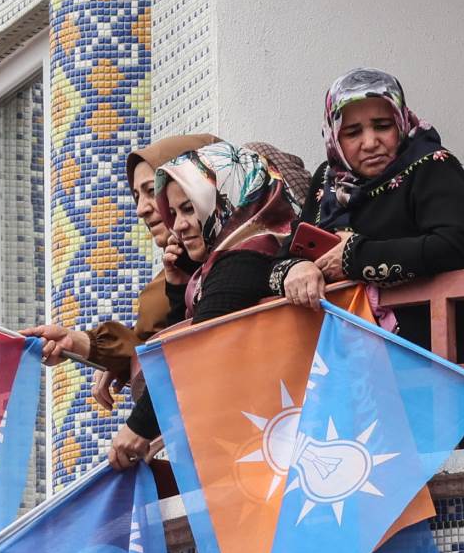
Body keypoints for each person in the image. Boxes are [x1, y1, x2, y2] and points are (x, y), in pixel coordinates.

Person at [28, 142, 296, 467]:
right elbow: (178, 337)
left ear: (219, 198)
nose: (176, 223)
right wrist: (179, 285)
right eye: (173, 210)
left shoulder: (242, 258)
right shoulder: (219, 263)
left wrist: (139, 427)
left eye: (188, 208)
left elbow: (193, 352)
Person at [274, 67, 464, 348]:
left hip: (434, 357)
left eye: (382, 126)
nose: (370, 143)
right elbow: (282, 258)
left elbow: (457, 245)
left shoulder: (432, 167)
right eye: (353, 132)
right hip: (351, 366)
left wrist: (354, 257)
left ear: (400, 122)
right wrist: (296, 270)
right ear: (334, 135)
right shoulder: (329, 180)